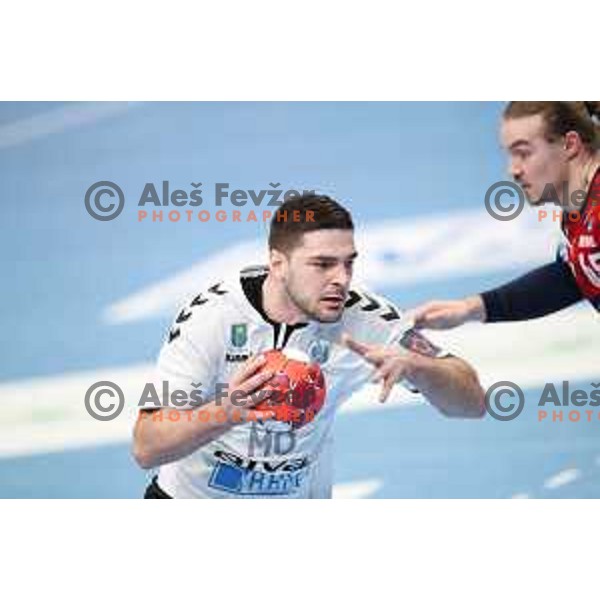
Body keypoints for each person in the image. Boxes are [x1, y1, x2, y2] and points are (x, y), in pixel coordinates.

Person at [133, 193, 484, 499]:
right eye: (323, 264)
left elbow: (473, 402)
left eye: (349, 263)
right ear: (278, 264)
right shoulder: (212, 317)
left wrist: (419, 367)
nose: (342, 279)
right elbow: (147, 445)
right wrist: (226, 412)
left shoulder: (367, 319)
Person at [413, 101, 600, 330]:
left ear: (570, 145)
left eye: (523, 153)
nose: (513, 170)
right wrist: (470, 308)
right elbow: (571, 278)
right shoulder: (578, 212)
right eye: (510, 155)